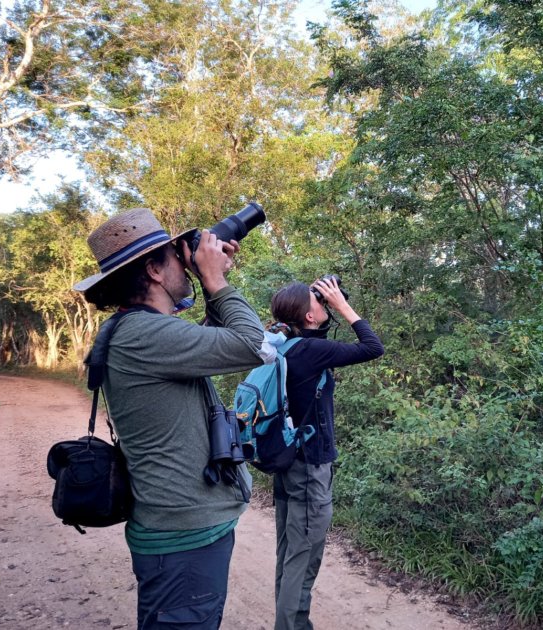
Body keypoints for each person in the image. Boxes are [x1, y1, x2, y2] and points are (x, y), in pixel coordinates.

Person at [74, 208, 271, 629]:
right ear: (154, 271)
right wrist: (215, 280)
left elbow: (211, 345)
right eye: (176, 258)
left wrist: (206, 277)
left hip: (184, 530)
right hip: (182, 537)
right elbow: (254, 344)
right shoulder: (145, 335)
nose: (186, 263)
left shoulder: (140, 331)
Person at [269, 276, 384, 630]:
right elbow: (372, 346)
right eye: (319, 301)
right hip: (308, 468)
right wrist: (343, 307)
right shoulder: (312, 351)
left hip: (287, 462)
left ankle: (289, 622)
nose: (326, 302)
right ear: (308, 316)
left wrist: (326, 306)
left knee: (290, 553)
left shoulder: (281, 345)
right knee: (303, 558)